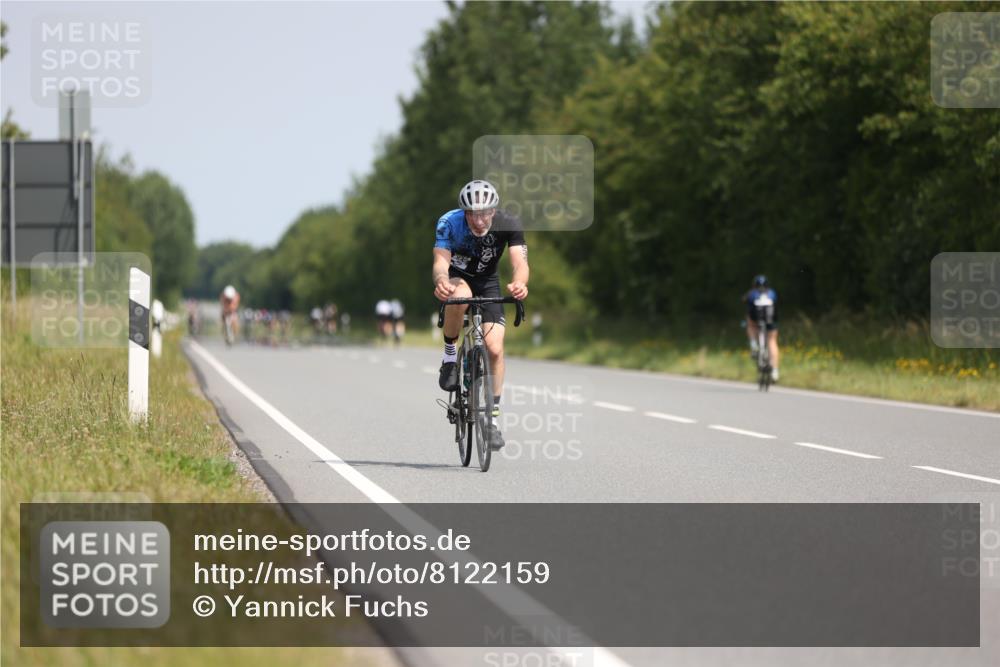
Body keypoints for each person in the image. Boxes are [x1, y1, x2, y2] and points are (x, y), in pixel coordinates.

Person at [433, 179, 529, 449]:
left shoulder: (508, 222)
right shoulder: (449, 222)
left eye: (485, 213)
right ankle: (450, 355)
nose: (479, 220)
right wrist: (441, 279)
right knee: (458, 297)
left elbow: (520, 262)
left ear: (494, 211)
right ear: (464, 212)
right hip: (458, 278)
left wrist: (520, 283)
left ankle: (493, 420)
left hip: (488, 281)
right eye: (473, 214)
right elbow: (441, 261)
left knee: (494, 349)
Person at [744, 274, 780, 382]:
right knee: (772, 341)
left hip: (756, 320)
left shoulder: (752, 293)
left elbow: (746, 303)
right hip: (770, 320)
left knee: (749, 324)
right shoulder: (772, 293)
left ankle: (754, 345)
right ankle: (775, 371)